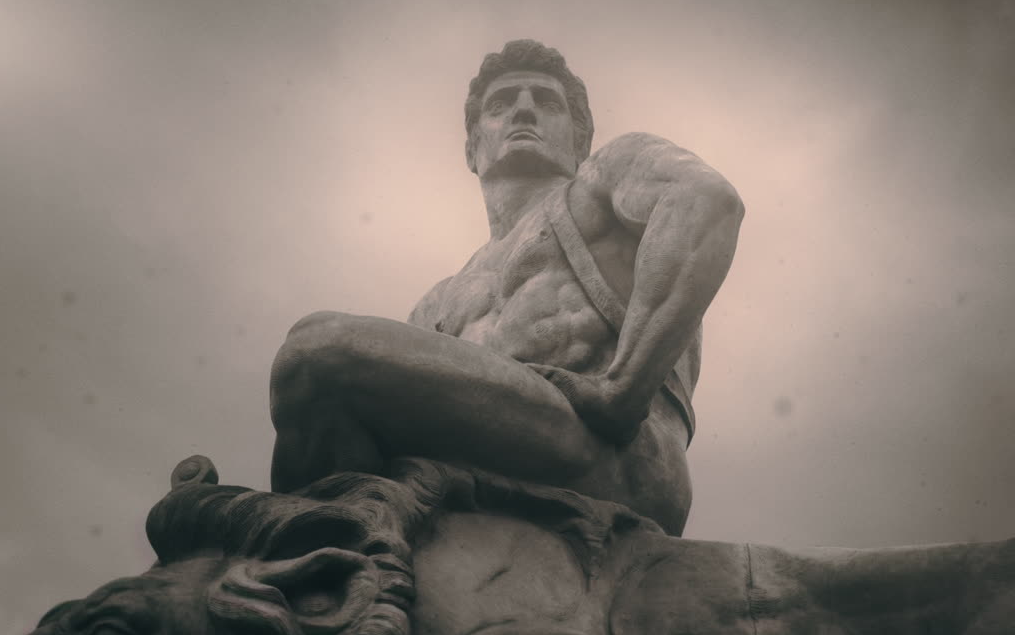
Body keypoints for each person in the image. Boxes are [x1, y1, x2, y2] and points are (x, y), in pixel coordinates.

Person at [269, 39, 744, 535]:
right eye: (501, 104)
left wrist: (623, 390)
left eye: (547, 102)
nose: (523, 109)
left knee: (316, 350)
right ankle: (329, 556)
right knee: (321, 394)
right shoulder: (438, 303)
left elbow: (707, 201)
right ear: (472, 149)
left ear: (581, 141)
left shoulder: (608, 179)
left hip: (615, 453)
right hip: (496, 454)